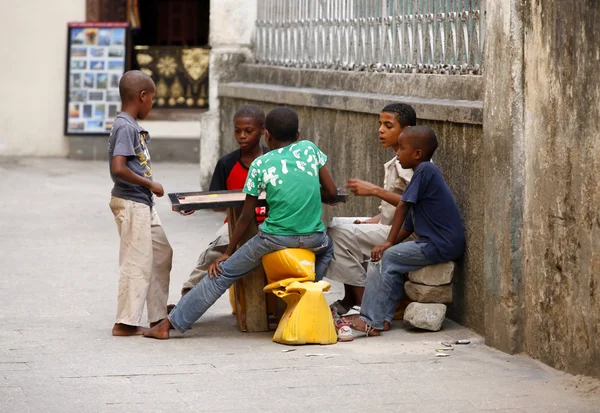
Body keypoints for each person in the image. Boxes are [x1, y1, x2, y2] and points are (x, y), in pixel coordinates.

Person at [144, 107, 338, 339]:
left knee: (222, 274)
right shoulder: (309, 149)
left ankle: (169, 325)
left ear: (267, 135)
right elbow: (332, 191)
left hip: (274, 238)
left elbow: (246, 215)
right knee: (328, 249)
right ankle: (310, 289)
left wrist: (228, 251)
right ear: (297, 135)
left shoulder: (261, 164)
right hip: (314, 237)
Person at [346, 126, 465, 336]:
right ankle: (381, 319)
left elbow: (403, 206)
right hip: (437, 242)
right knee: (390, 261)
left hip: (440, 243)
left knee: (382, 260)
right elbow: (409, 224)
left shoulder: (425, 170)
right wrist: (392, 243)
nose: (397, 153)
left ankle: (371, 321)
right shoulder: (423, 174)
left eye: (401, 148)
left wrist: (388, 243)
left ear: (417, 154)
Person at [326, 103, 417, 315]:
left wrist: (375, 190)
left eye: (388, 125)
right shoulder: (397, 159)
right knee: (336, 224)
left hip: (406, 233)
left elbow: (412, 204)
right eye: (380, 125)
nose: (381, 130)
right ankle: (349, 298)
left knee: (339, 235)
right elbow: (392, 207)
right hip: (390, 224)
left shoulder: (411, 162)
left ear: (406, 130)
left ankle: (363, 304)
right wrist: (372, 221)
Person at [176, 105, 268, 299]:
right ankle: (189, 296)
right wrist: (195, 204)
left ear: (262, 131)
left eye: (248, 131)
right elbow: (217, 203)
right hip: (234, 225)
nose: (242, 136)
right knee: (213, 253)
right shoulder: (226, 163)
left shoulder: (273, 160)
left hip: (269, 222)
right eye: (238, 131)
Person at [107, 70, 172, 336]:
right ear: (142, 96)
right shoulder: (125, 126)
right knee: (137, 262)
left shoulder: (131, 125)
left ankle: (158, 317)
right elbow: (118, 168)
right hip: (132, 201)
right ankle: (125, 323)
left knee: (161, 254)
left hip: (143, 203)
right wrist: (150, 184)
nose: (152, 105)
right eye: (152, 99)